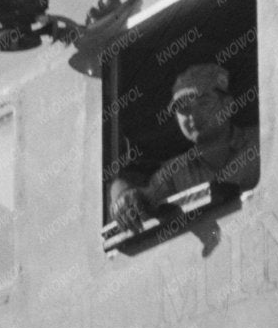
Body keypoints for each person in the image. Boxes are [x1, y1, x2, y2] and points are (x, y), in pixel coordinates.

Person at [108, 62, 259, 238]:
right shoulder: (175, 172)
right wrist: (123, 196)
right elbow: (141, 197)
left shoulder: (260, 141)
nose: (193, 115)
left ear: (228, 104)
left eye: (203, 103)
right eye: (183, 108)